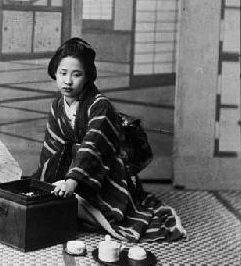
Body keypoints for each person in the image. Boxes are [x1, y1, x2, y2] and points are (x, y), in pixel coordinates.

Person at [33, 37, 186, 242]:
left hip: (103, 172)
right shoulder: (57, 105)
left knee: (98, 212)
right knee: (47, 200)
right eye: (63, 73)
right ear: (54, 72)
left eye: (76, 74)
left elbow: (93, 146)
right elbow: (53, 147)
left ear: (87, 77)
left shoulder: (100, 105)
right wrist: (45, 182)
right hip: (74, 168)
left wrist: (72, 180)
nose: (68, 81)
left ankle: (88, 205)